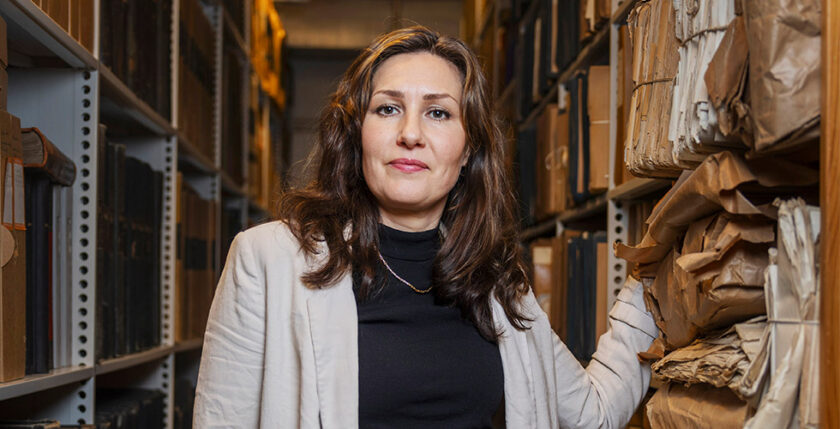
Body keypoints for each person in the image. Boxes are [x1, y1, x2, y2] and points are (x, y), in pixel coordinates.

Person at [193, 26, 658, 428]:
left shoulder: (496, 282)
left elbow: (592, 414)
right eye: (387, 109)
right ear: (356, 134)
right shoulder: (268, 261)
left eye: (438, 112)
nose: (410, 134)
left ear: (469, 148)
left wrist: (653, 275)